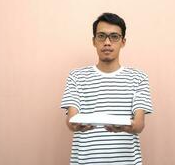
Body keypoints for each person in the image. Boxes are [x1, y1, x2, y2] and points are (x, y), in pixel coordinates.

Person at [61, 12, 153, 165]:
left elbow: (139, 124)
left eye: (114, 37)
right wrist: (75, 125)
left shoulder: (139, 77)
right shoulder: (76, 76)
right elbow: (71, 120)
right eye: (101, 36)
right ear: (94, 41)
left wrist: (125, 127)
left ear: (123, 42)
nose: (107, 42)